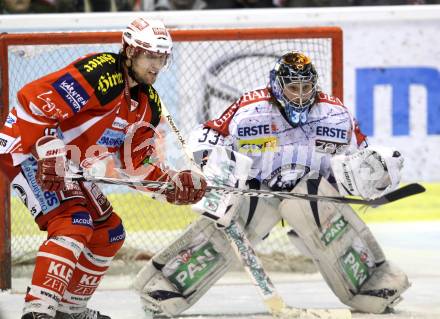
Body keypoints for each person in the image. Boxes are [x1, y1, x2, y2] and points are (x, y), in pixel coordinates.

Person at [133, 51, 410, 316]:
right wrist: (212, 168)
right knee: (231, 226)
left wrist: (377, 172)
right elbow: (208, 135)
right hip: (258, 190)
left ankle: (372, 284)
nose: (301, 95)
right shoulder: (250, 109)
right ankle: (164, 286)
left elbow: (361, 153)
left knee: (327, 225)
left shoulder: (336, 115)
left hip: (309, 195)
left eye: (306, 87)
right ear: (278, 86)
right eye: (293, 87)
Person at [0, 17, 206, 319]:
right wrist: (48, 148)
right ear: (130, 51)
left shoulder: (148, 103)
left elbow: (136, 166)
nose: (156, 66)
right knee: (74, 222)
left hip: (65, 164)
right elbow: (34, 101)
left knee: (109, 231)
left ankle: (69, 311)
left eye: (162, 58)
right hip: (22, 147)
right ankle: (39, 310)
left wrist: (171, 183)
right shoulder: (102, 73)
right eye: (149, 56)